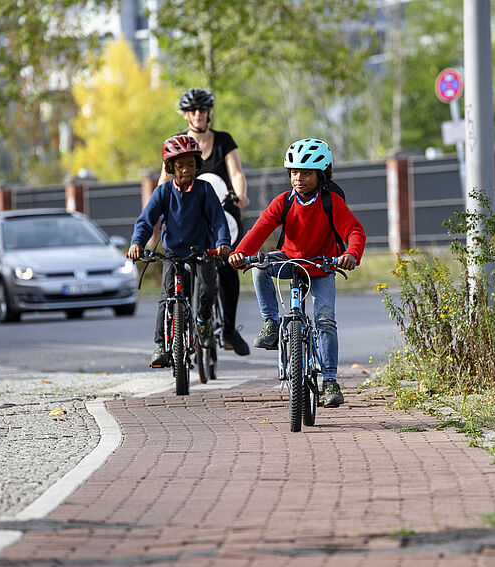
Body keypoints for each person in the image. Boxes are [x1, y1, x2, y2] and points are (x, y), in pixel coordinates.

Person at [229, 138, 366, 407]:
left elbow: (354, 231)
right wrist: (241, 254)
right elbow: (259, 229)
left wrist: (351, 254)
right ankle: (271, 323)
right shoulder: (284, 202)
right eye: (294, 172)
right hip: (289, 260)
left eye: (307, 172)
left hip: (322, 265)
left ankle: (329, 381)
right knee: (261, 268)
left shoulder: (331, 202)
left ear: (321, 175)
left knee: (325, 319)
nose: (299, 178)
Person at [157, 88, 251, 356]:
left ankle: (230, 329)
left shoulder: (223, 141)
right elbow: (163, 182)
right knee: (182, 269)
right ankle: (184, 323)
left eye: (202, 109)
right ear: (185, 114)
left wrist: (241, 194)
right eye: (193, 110)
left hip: (223, 212)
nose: (198, 114)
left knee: (228, 264)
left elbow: (236, 172)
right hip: (188, 217)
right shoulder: (177, 143)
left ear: (209, 113)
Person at [129, 135, 232, 368]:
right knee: (167, 297)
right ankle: (160, 346)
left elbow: (218, 221)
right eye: (180, 165)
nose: (186, 169)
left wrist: (223, 242)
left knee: (208, 287)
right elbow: (146, 221)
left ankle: (203, 320)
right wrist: (137, 243)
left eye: (191, 164)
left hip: (202, 250)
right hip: (173, 252)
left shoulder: (205, 190)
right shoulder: (163, 192)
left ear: (197, 166)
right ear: (171, 167)